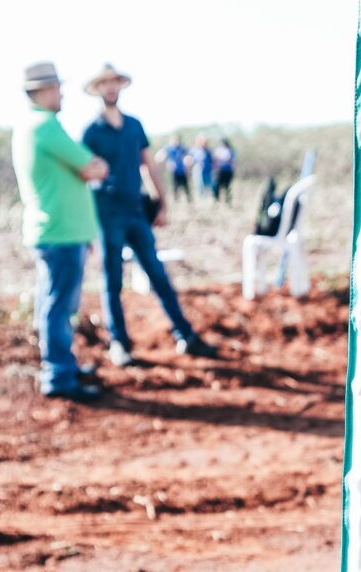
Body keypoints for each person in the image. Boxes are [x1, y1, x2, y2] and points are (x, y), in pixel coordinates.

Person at [81, 63, 218, 366]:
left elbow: (148, 164)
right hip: (107, 214)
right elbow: (84, 173)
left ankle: (186, 336)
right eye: (105, 83)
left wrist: (162, 202)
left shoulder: (134, 125)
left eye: (115, 82)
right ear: (97, 90)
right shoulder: (91, 132)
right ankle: (120, 344)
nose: (111, 87)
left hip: (136, 212)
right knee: (112, 281)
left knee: (157, 274)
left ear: (121, 86)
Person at [11, 62, 109, 402]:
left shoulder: (30, 127)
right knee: (58, 306)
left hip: (56, 233)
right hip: (61, 234)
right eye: (55, 87)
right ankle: (59, 375)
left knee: (53, 303)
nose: (61, 92)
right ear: (40, 91)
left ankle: (61, 366)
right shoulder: (46, 126)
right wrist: (93, 168)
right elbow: (92, 168)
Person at [155, 135, 192, 202]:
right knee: (175, 187)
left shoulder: (183, 149)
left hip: (183, 171)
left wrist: (188, 162)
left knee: (186, 187)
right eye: (174, 140)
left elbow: (189, 156)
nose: (176, 142)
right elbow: (161, 155)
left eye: (177, 140)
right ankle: (175, 201)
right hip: (174, 172)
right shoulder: (169, 149)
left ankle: (189, 200)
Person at [212, 138, 236, 203]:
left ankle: (228, 201)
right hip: (219, 171)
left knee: (227, 187)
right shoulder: (217, 151)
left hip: (228, 172)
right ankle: (216, 201)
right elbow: (214, 160)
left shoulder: (231, 151)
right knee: (216, 186)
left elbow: (231, 160)